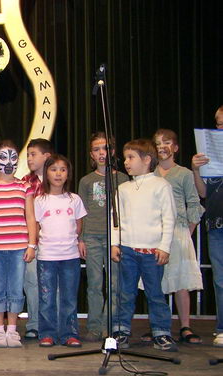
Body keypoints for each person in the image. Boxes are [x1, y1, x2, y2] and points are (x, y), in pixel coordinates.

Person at [111, 139, 177, 351]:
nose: (126, 162)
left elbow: (169, 218)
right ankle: (121, 330)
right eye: (125, 158)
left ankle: (161, 332)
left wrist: (164, 247)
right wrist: (115, 244)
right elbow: (116, 219)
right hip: (128, 249)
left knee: (155, 294)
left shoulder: (161, 186)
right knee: (126, 293)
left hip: (152, 251)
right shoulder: (122, 188)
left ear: (147, 159)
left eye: (131, 158)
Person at [0, 141, 37, 348]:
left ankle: (12, 330)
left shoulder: (24, 186)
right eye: (3, 158)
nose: (9, 162)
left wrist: (32, 245)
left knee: (15, 288)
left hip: (19, 247)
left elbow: (30, 216)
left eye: (13, 158)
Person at [149, 129, 204, 344]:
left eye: (167, 142)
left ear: (175, 147)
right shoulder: (149, 174)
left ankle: (185, 325)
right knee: (156, 281)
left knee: (180, 281)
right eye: (158, 143)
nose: (162, 146)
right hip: (154, 233)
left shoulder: (184, 174)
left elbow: (194, 203)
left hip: (179, 231)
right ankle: (159, 326)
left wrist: (187, 232)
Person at [77, 132, 129, 342]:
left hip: (115, 239)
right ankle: (95, 326)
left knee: (115, 284)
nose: (102, 153)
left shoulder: (123, 179)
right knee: (95, 284)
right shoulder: (86, 181)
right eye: (97, 149)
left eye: (106, 148)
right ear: (91, 154)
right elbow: (81, 212)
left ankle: (112, 326)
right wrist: (80, 238)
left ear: (113, 151)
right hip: (92, 237)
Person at [35, 155, 87, 347]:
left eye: (63, 169)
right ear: (46, 173)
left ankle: (69, 333)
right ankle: (47, 333)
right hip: (47, 256)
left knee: (69, 298)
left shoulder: (74, 200)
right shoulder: (40, 201)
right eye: (53, 169)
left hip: (70, 256)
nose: (58, 173)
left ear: (68, 174)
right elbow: (36, 226)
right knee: (47, 297)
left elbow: (78, 226)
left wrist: (78, 241)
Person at [192, 105, 223, 347]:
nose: (219, 127)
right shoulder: (210, 155)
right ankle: (222, 327)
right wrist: (196, 169)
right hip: (217, 224)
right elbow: (202, 192)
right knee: (220, 279)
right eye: (217, 123)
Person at [21, 138, 53, 340]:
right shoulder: (25, 182)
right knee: (31, 282)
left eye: (33, 154)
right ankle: (34, 323)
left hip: (53, 241)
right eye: (28, 155)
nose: (29, 158)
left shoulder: (58, 180)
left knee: (51, 283)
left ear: (46, 156)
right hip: (32, 240)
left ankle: (53, 322)